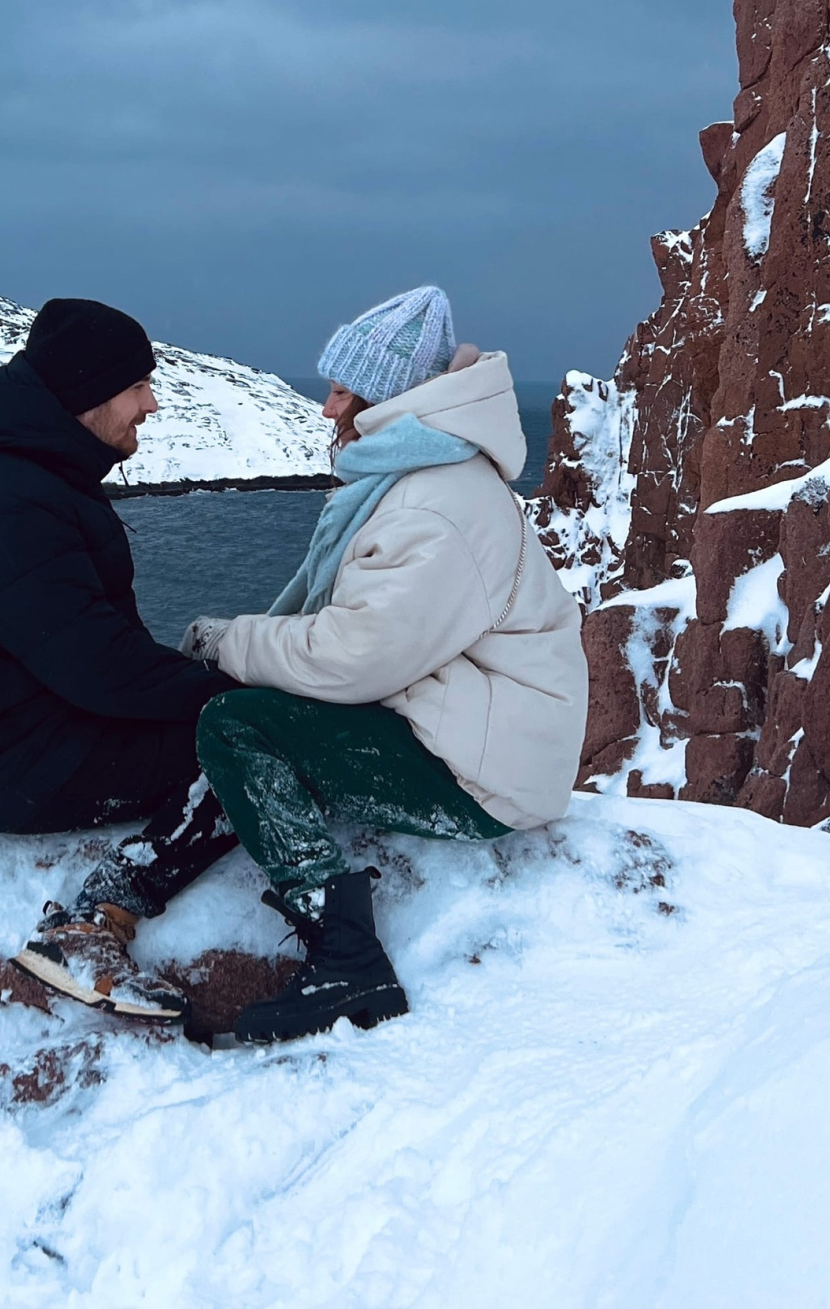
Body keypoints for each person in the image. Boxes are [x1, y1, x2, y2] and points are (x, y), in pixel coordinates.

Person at [173, 285, 589, 1044]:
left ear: (384, 399)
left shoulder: (432, 503)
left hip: (484, 776)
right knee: (259, 706)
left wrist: (227, 641)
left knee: (237, 726)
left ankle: (346, 958)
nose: (327, 409)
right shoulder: (418, 480)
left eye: (339, 391)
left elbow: (352, 657)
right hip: (466, 728)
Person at [0, 298, 239, 1022]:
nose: (151, 404)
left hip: (33, 733)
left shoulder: (35, 478)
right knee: (247, 740)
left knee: (233, 719)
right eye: (137, 386)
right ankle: (85, 927)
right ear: (88, 392)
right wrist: (222, 693)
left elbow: (85, 650)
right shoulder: (11, 500)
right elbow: (98, 666)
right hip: (13, 766)